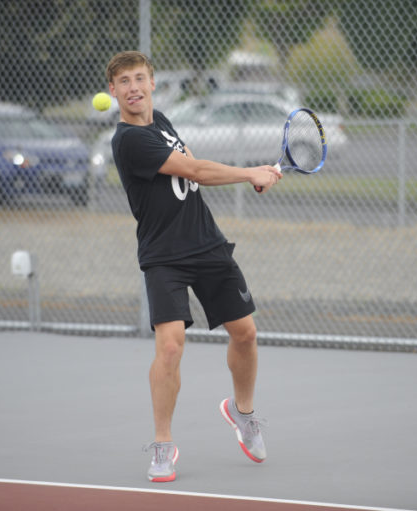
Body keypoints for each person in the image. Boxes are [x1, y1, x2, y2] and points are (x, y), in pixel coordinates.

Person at [106, 51, 281, 482]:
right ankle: (163, 446)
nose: (133, 87)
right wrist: (251, 172)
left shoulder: (161, 120)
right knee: (170, 347)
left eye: (139, 78)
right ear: (113, 91)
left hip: (206, 243)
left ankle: (243, 413)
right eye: (124, 81)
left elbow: (191, 172)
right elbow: (197, 170)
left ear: (151, 82)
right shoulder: (128, 140)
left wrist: (247, 175)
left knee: (246, 333)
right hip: (164, 256)